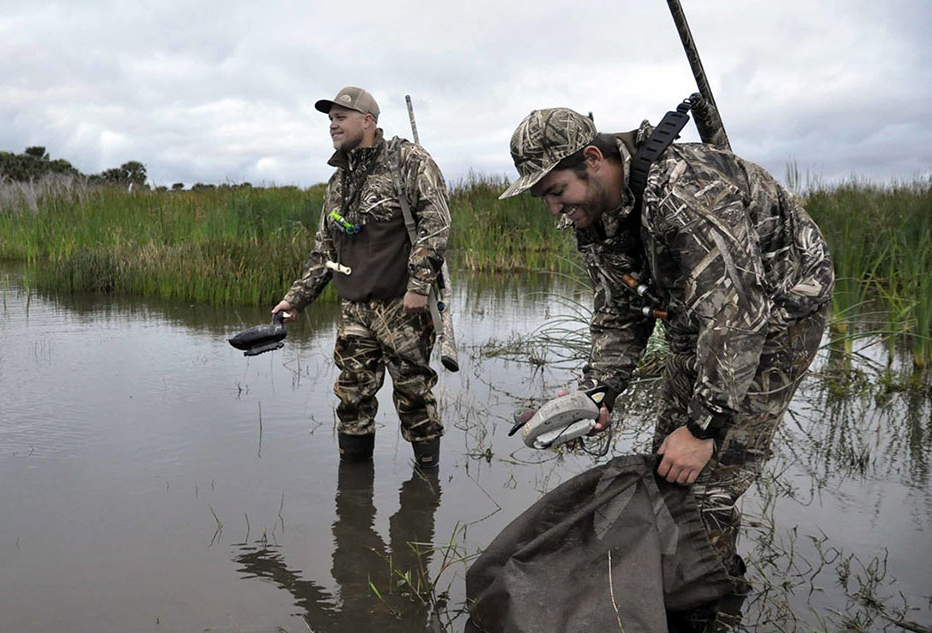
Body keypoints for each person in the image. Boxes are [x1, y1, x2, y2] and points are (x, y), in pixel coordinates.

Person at [499, 106, 833, 624]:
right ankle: (687, 581)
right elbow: (619, 310)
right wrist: (597, 392)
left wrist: (703, 426)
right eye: (543, 196)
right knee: (668, 467)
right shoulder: (594, 216)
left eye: (556, 190)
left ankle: (712, 606)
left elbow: (738, 314)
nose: (553, 209)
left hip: (776, 319)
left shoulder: (685, 192)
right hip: (695, 318)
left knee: (705, 481)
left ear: (592, 159)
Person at [271, 86, 452, 469]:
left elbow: (437, 222)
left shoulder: (407, 160)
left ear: (368, 121)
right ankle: (353, 501)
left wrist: (419, 286)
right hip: (354, 309)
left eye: (341, 117)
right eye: (330, 119)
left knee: (414, 398)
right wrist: (296, 298)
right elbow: (325, 250)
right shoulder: (338, 181)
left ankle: (426, 492)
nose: (333, 125)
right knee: (351, 399)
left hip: (403, 306)